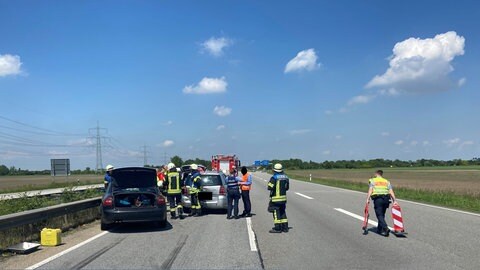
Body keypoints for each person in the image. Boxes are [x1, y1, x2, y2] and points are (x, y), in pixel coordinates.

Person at [365, 170, 398, 237]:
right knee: (382, 214)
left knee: (379, 214)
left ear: (376, 174)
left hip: (378, 199)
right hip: (386, 199)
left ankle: (385, 228)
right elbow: (391, 191)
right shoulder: (386, 181)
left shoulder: (373, 180)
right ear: (381, 174)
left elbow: (370, 190)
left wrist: (368, 198)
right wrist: (394, 200)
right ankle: (379, 228)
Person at [267, 163, 289, 233]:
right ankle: (285, 227)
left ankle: (277, 228)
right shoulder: (286, 177)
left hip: (276, 199)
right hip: (283, 198)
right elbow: (287, 188)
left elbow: (269, 187)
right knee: (282, 212)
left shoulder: (274, 178)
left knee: (276, 212)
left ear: (275, 170)